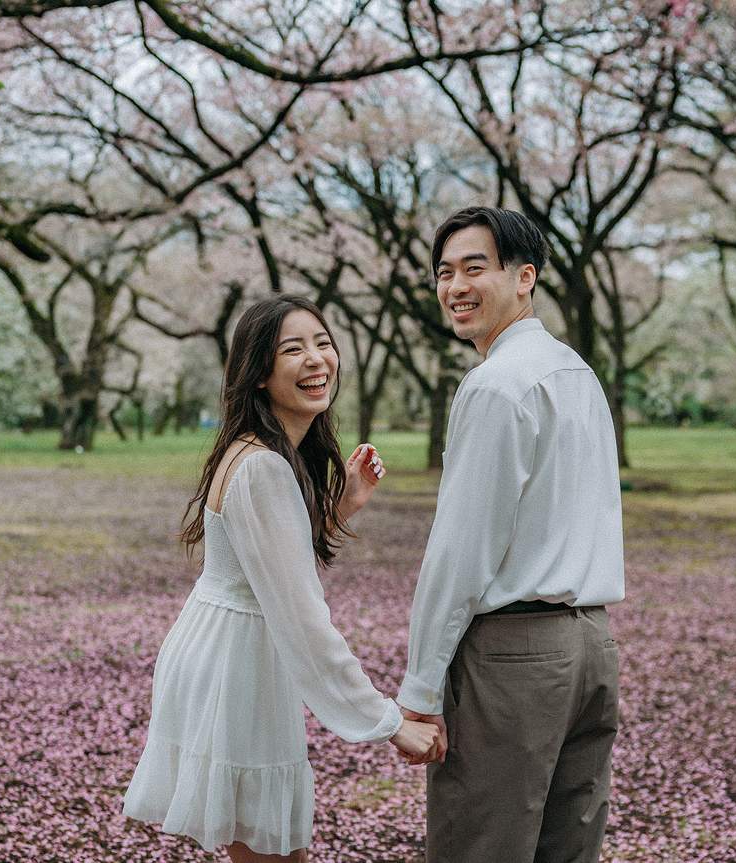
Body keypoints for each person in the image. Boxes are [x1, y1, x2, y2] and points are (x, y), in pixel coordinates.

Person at [122, 296, 440, 862]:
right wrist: (388, 721)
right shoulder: (263, 467)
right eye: (292, 349)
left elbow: (266, 559)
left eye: (323, 343)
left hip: (226, 649)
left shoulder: (259, 452)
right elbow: (302, 618)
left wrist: (340, 508)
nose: (316, 359)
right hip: (238, 667)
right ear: (260, 374)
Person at [397, 207, 625, 862]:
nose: (455, 286)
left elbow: (461, 552)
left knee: (481, 848)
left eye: (475, 268)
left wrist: (420, 691)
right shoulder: (575, 372)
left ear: (525, 277)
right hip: (590, 647)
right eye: (444, 272)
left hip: (513, 659)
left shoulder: (495, 385)